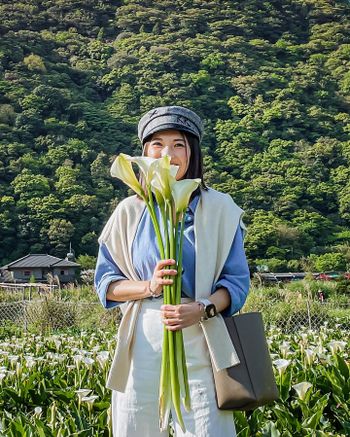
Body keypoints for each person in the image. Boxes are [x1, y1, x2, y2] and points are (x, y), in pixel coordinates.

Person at [94, 106, 251, 437]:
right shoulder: (130, 211)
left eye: (179, 144)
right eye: (157, 144)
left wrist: (201, 308)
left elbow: (236, 284)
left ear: (192, 152)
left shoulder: (220, 208)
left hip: (203, 340)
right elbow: (106, 284)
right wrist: (149, 286)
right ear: (144, 153)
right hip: (143, 346)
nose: (168, 154)